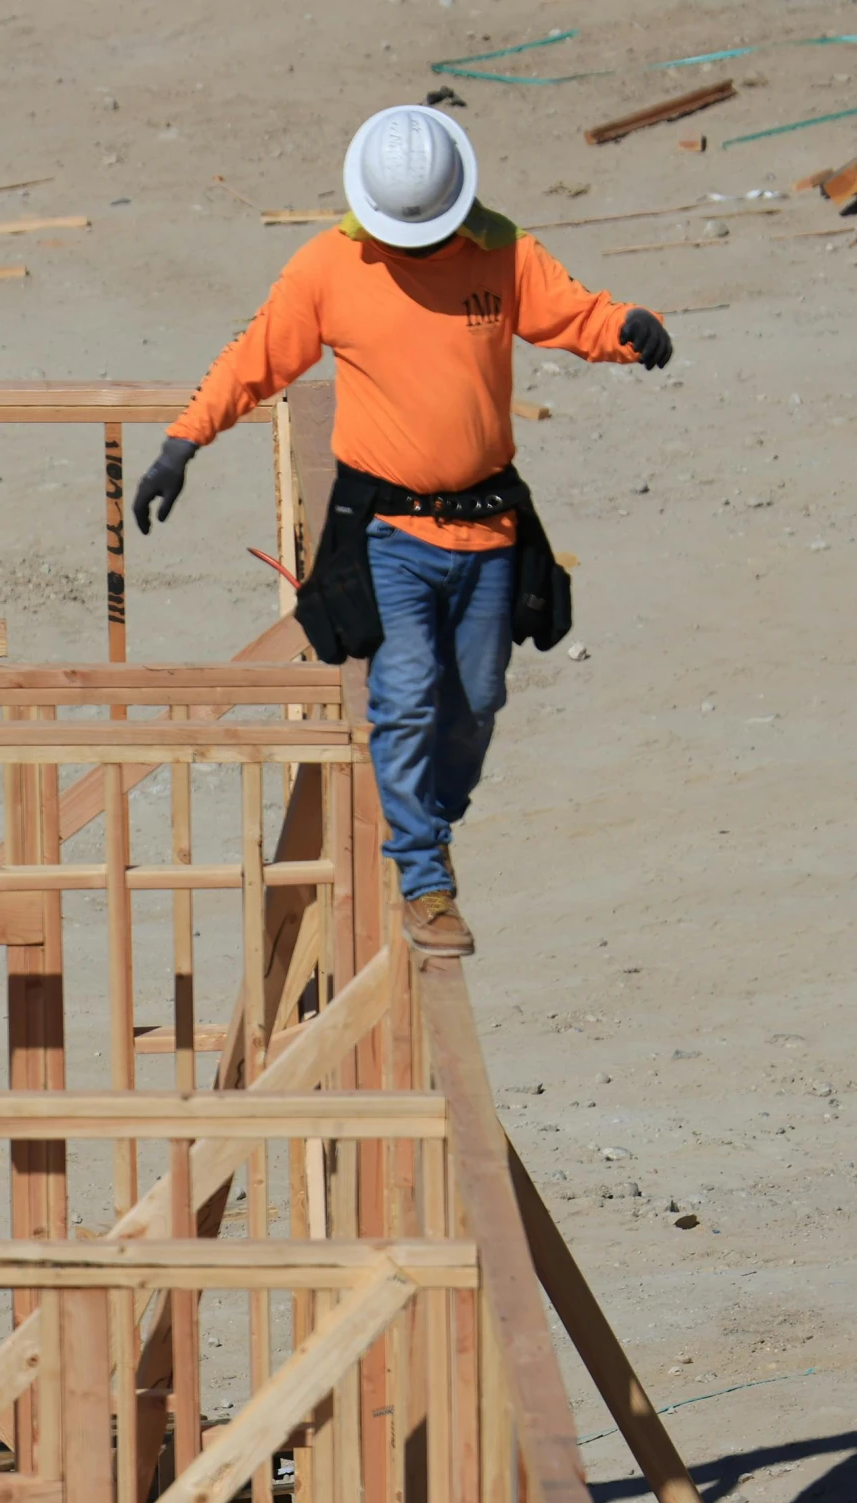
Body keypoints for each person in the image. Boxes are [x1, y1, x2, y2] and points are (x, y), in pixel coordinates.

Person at [132, 103, 670, 957]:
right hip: (390, 533)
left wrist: (627, 330)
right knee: (407, 695)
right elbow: (255, 357)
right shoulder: (328, 268)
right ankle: (422, 873)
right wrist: (180, 443)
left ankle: (431, 824)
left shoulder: (501, 249)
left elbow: (572, 312)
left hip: (489, 528)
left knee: (478, 698)